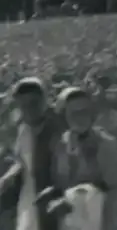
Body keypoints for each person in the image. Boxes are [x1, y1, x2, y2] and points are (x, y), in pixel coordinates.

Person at [50, 87, 117, 230]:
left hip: (99, 220)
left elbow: (111, 188)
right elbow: (60, 182)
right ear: (64, 116)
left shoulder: (105, 144)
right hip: (70, 222)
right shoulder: (61, 144)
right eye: (74, 113)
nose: (81, 118)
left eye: (84, 111)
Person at [0, 77, 67, 230]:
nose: (29, 110)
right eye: (23, 106)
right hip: (29, 201)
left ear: (45, 100)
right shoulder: (23, 130)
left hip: (56, 202)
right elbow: (22, 161)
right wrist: (8, 177)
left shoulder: (60, 129)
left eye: (34, 104)